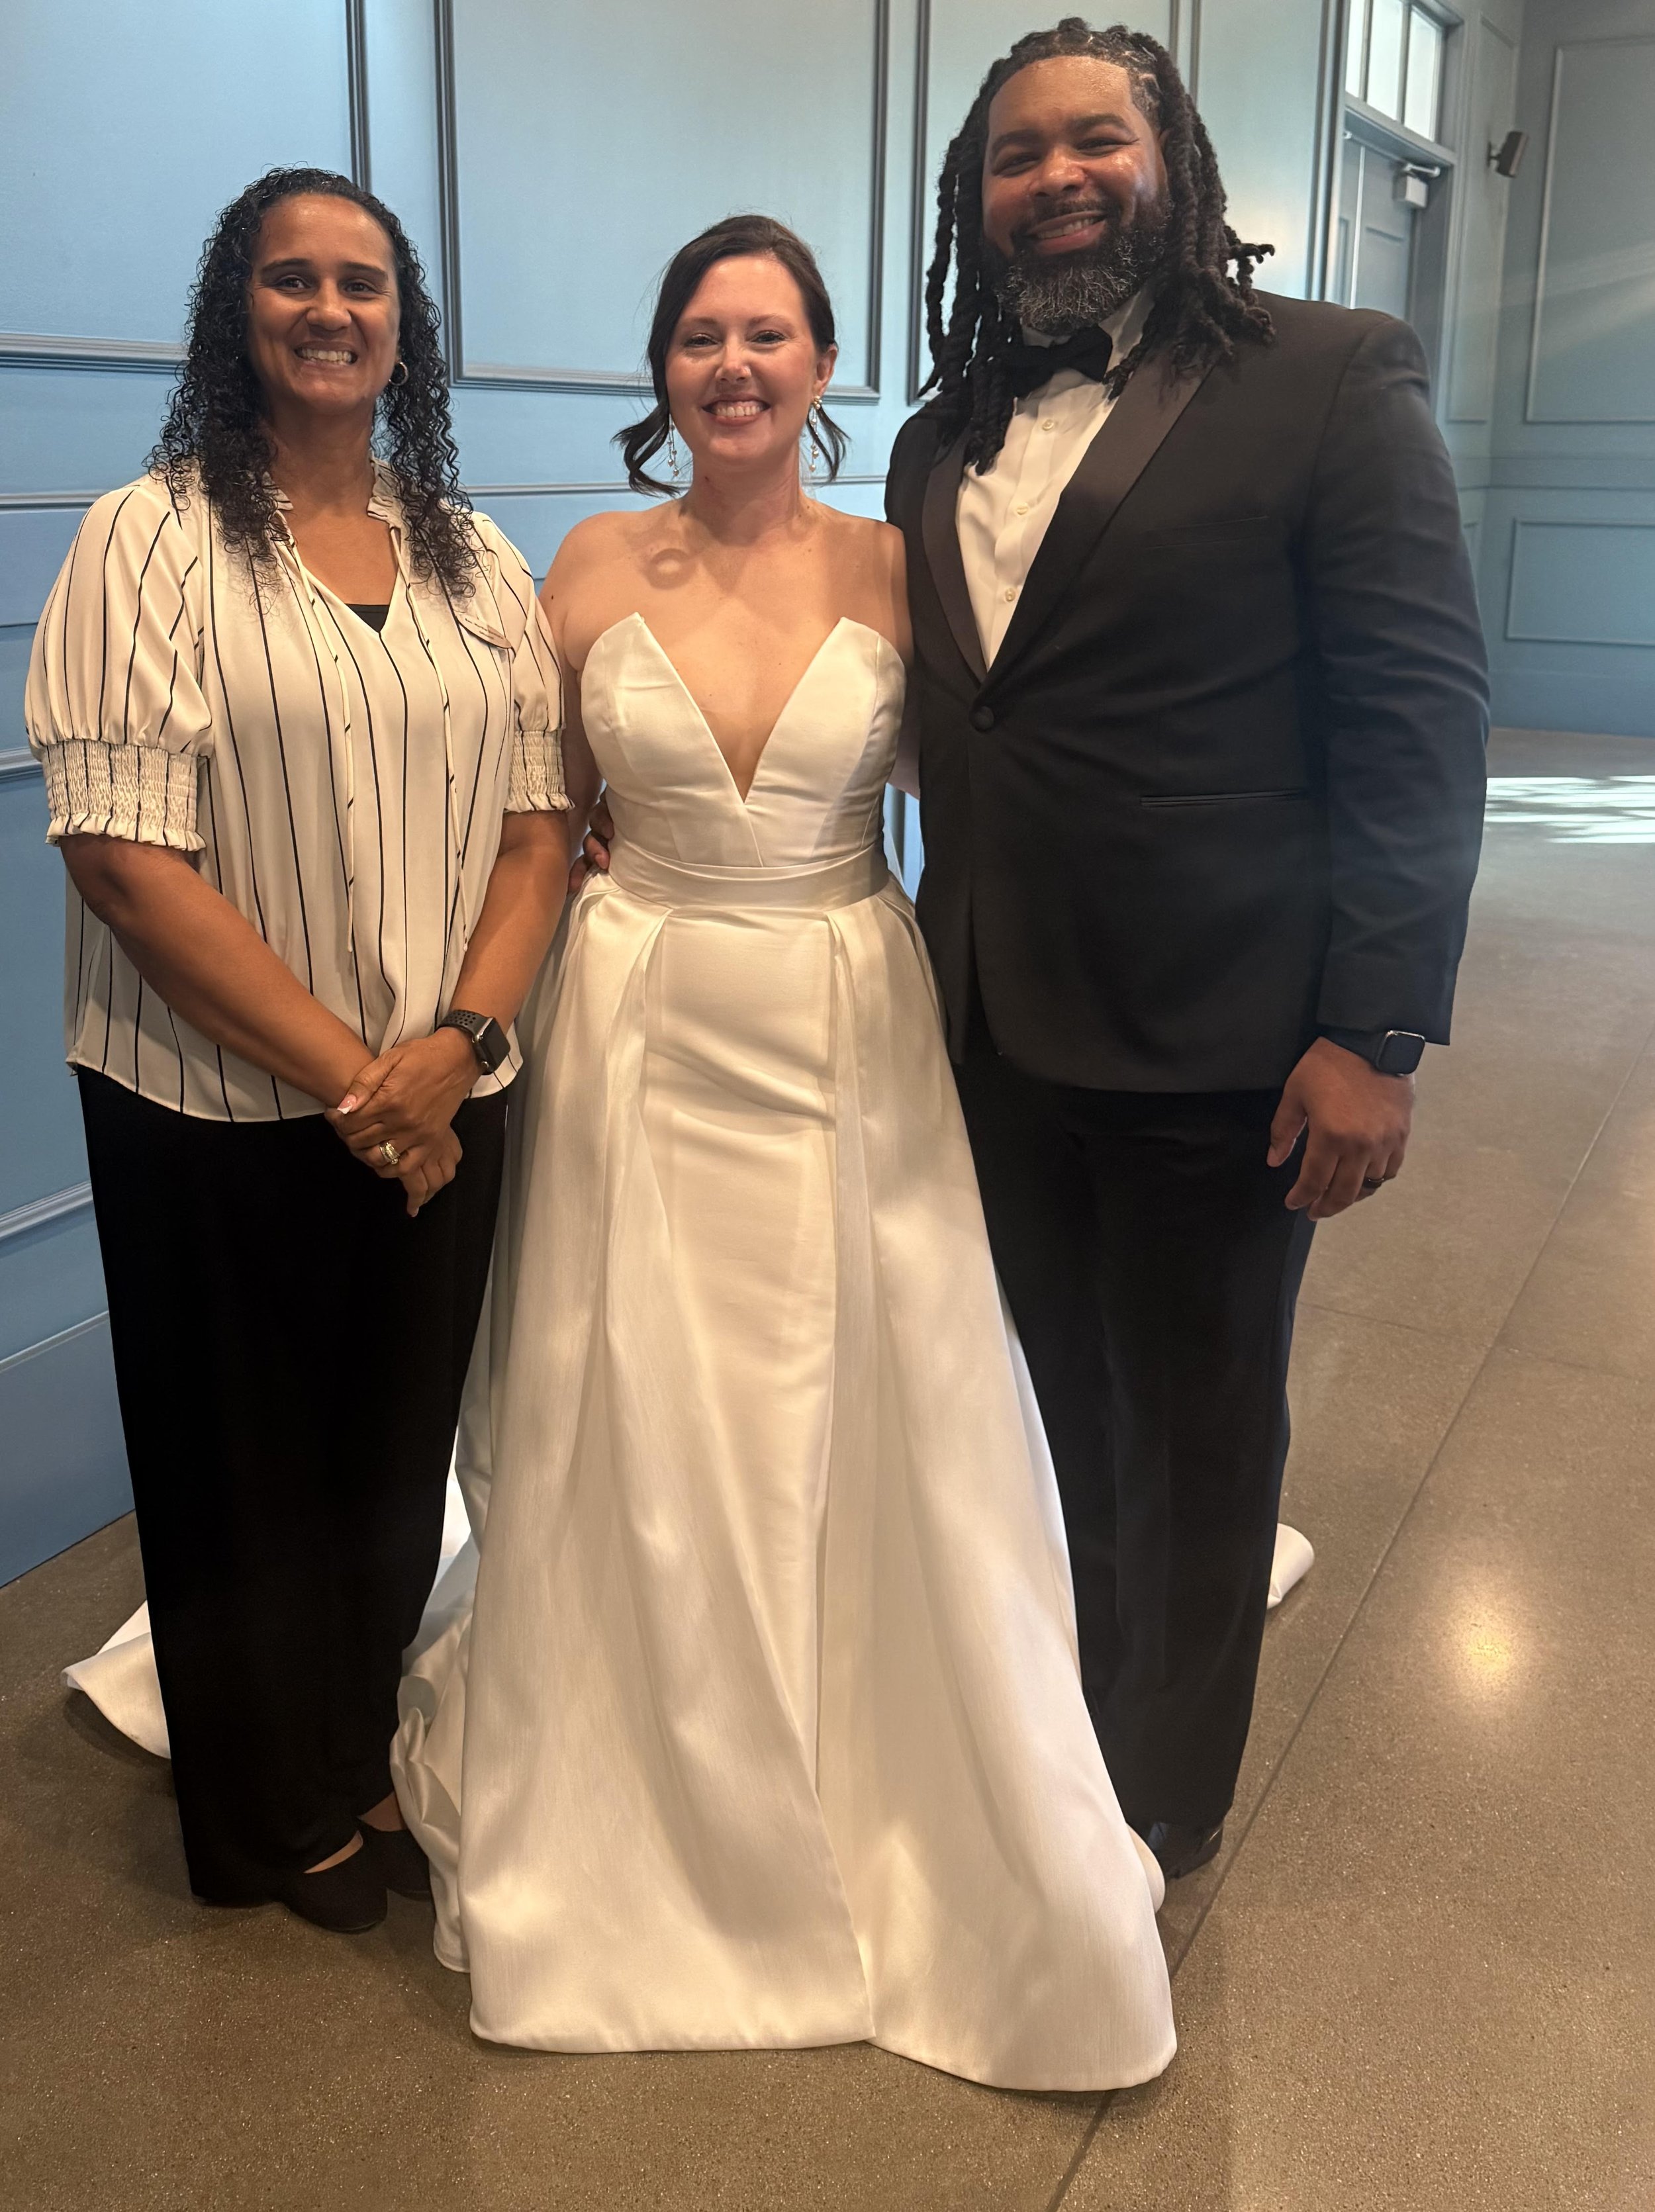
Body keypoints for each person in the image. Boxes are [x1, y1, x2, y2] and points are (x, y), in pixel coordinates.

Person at [393, 214, 1175, 2092]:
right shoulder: (581, 563)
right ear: (662, 372)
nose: (731, 365)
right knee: (639, 1394)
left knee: (869, 1387)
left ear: (824, 365)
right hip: (639, 1015)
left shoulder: (902, 569)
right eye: (697, 337)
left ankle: (889, 1758)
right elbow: (541, 823)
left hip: (844, 1014)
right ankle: (648, 1769)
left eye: (767, 335)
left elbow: (1007, 796)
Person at [884, 21, 1488, 1880]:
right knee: (1051, 1394)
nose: (1056, 179)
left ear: (1175, 166)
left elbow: (1414, 709)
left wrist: (1372, 1029)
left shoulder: (1327, 374)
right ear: (972, 204)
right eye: (1014, 156)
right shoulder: (934, 438)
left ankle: (1157, 1798)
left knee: (1202, 1422)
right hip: (982, 1019)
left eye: (1093, 142)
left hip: (1226, 1035)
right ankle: (1068, 1707)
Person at [25, 168, 568, 1933]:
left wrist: (458, 1046)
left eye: (362, 282)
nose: (328, 309)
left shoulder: (476, 561)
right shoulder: (147, 536)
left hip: (445, 1095)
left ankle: (348, 1750)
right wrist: (361, 1075)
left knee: (387, 1458)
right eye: (290, 280)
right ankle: (266, 1825)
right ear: (234, 310)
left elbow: (538, 830)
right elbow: (122, 859)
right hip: (219, 1107)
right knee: (239, 1463)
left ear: (405, 322)